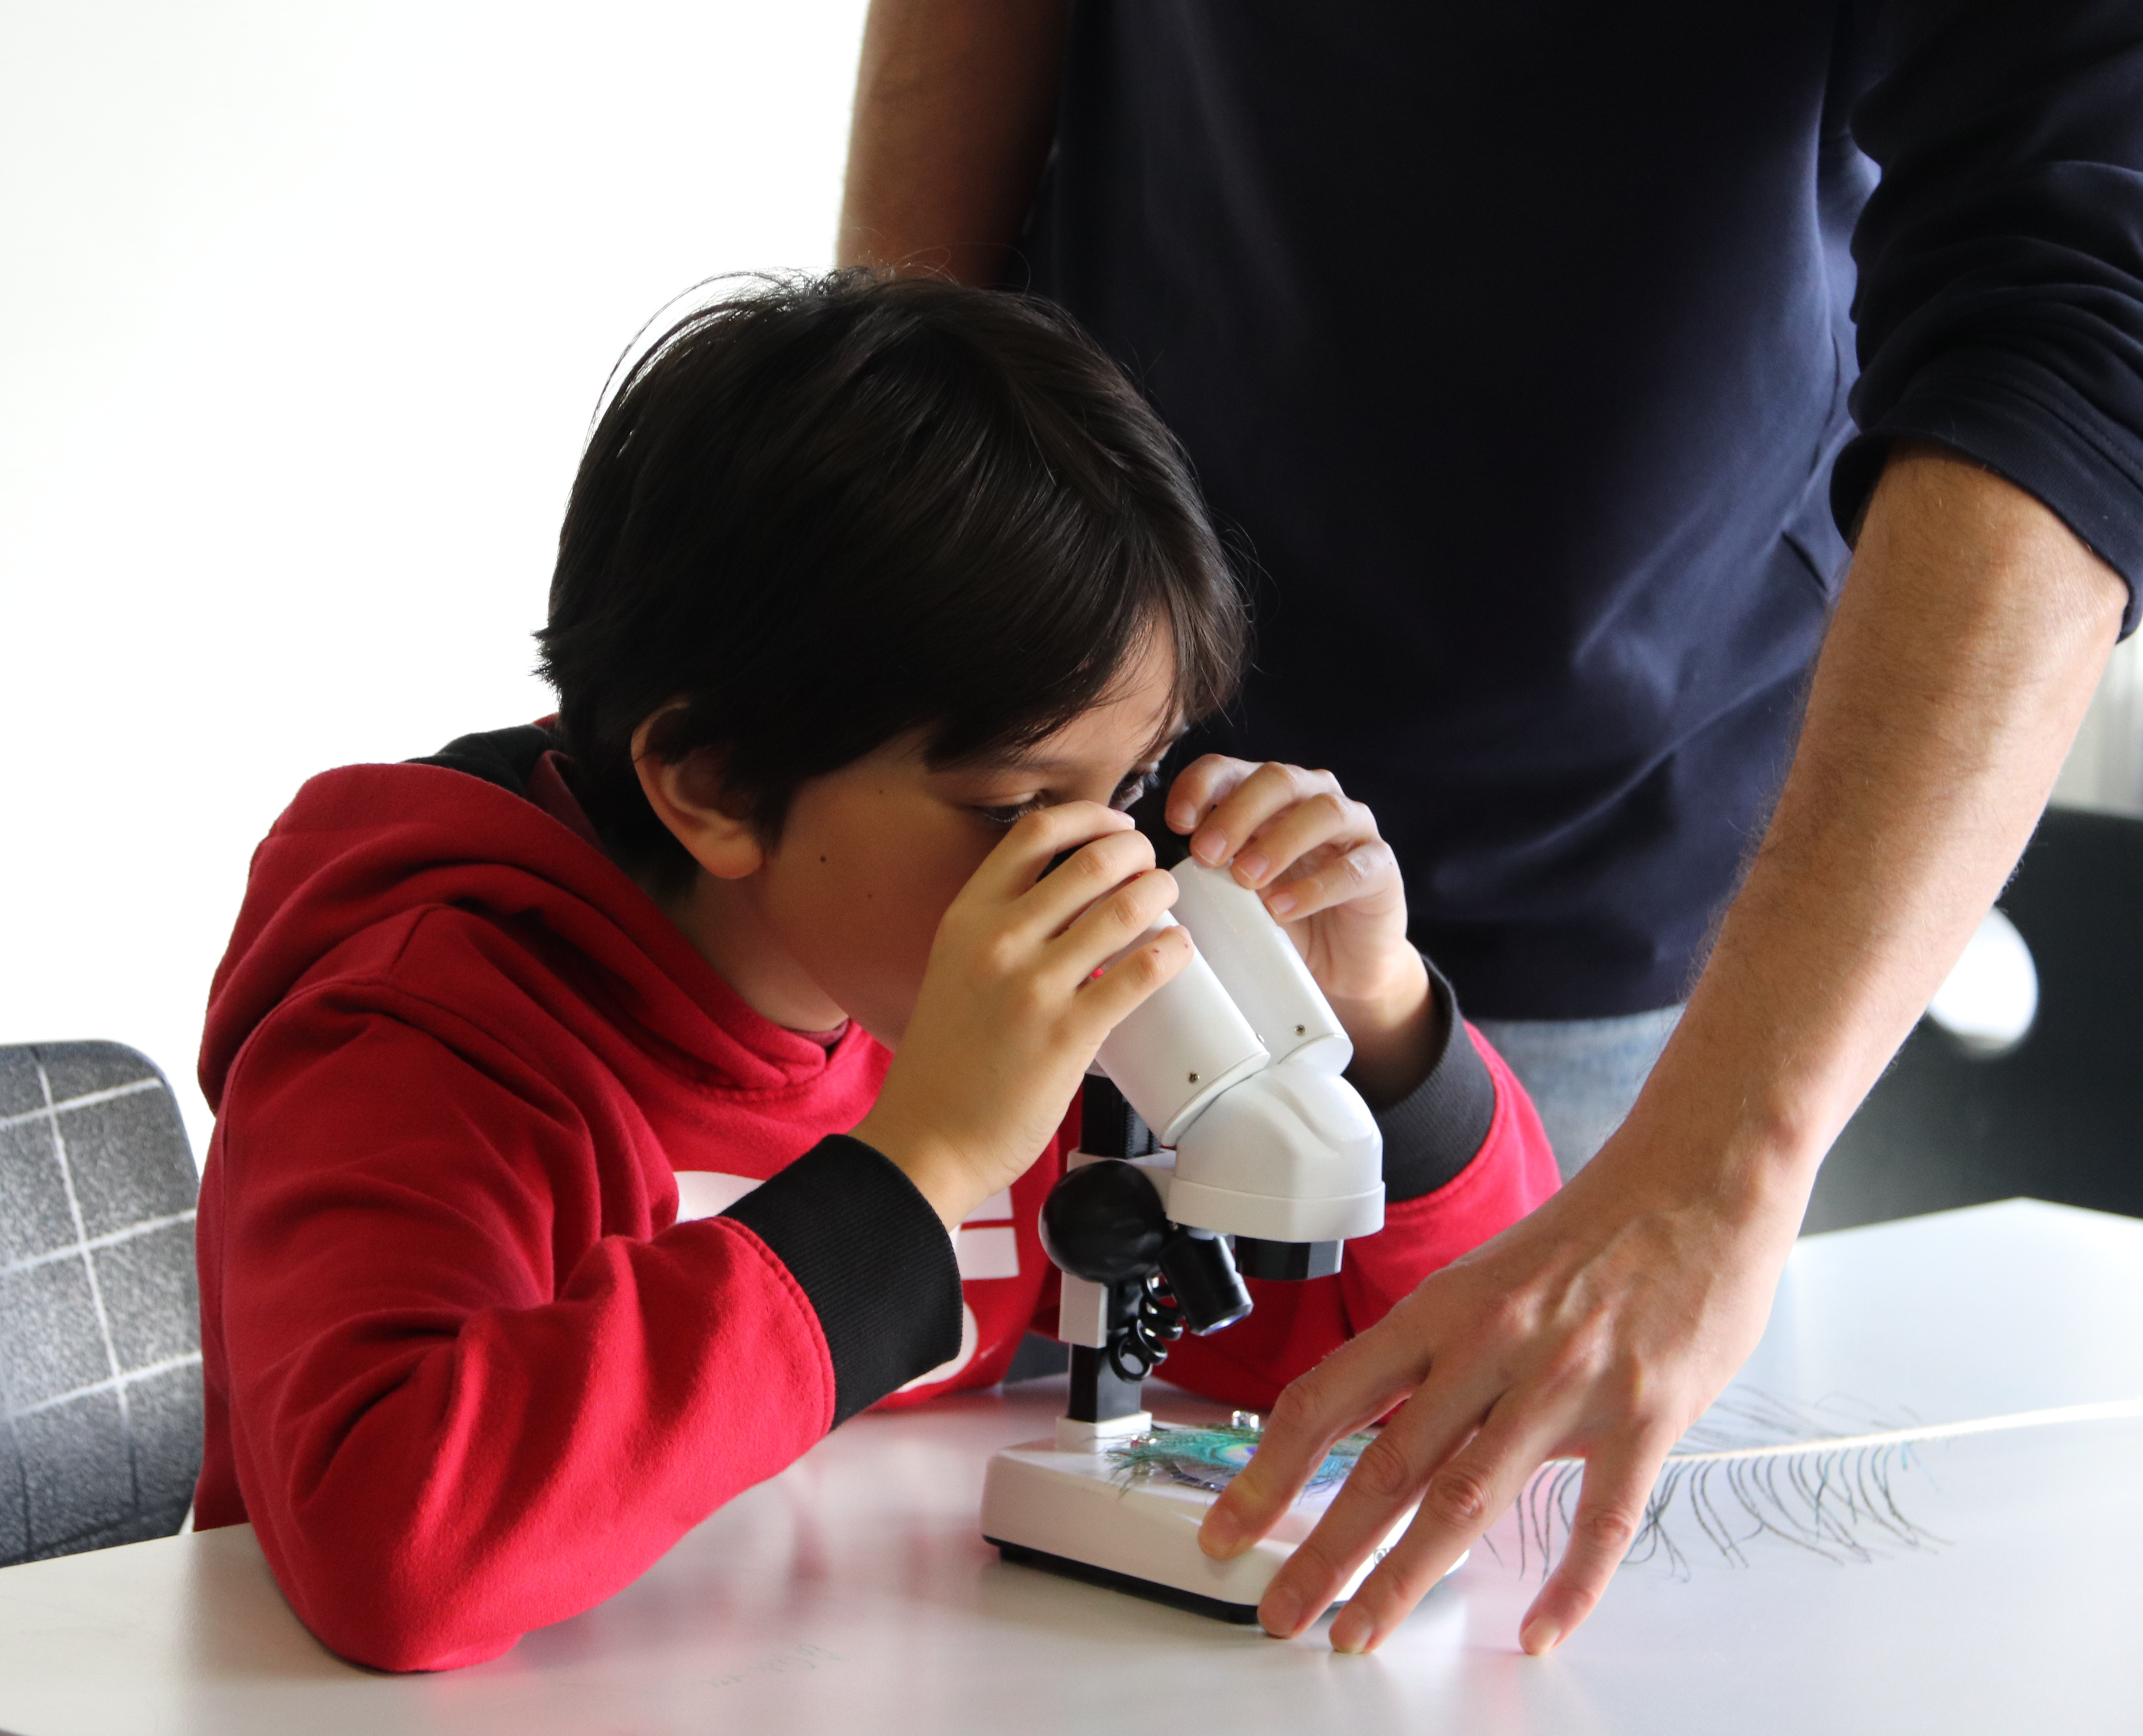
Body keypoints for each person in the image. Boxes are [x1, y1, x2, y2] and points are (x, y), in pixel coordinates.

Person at [837, 0, 2139, 1656]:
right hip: (1054, 732)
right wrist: (883, 527)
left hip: (1607, 840)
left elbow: (2081, 300)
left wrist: (1698, 1166)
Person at [190, 273, 1558, 1670]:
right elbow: (394, 1553)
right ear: (715, 783)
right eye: (1015, 805)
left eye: (1131, 786)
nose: (1103, 864)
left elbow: (1433, 1386)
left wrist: (1381, 1025)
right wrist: (921, 1164)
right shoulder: (418, 1034)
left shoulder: (995, 996)